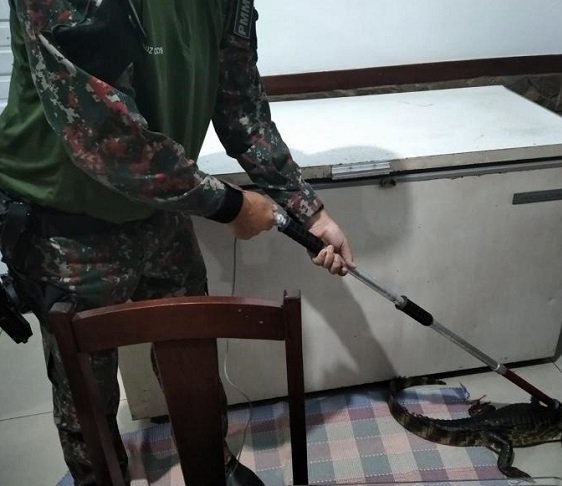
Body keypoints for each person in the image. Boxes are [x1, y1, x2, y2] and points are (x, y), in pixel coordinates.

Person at [0, 0, 355, 484]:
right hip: (64, 223)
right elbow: (106, 136)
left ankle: (210, 468)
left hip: (163, 208)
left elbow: (240, 105)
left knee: (193, 358)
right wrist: (232, 206)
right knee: (85, 392)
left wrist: (308, 210)